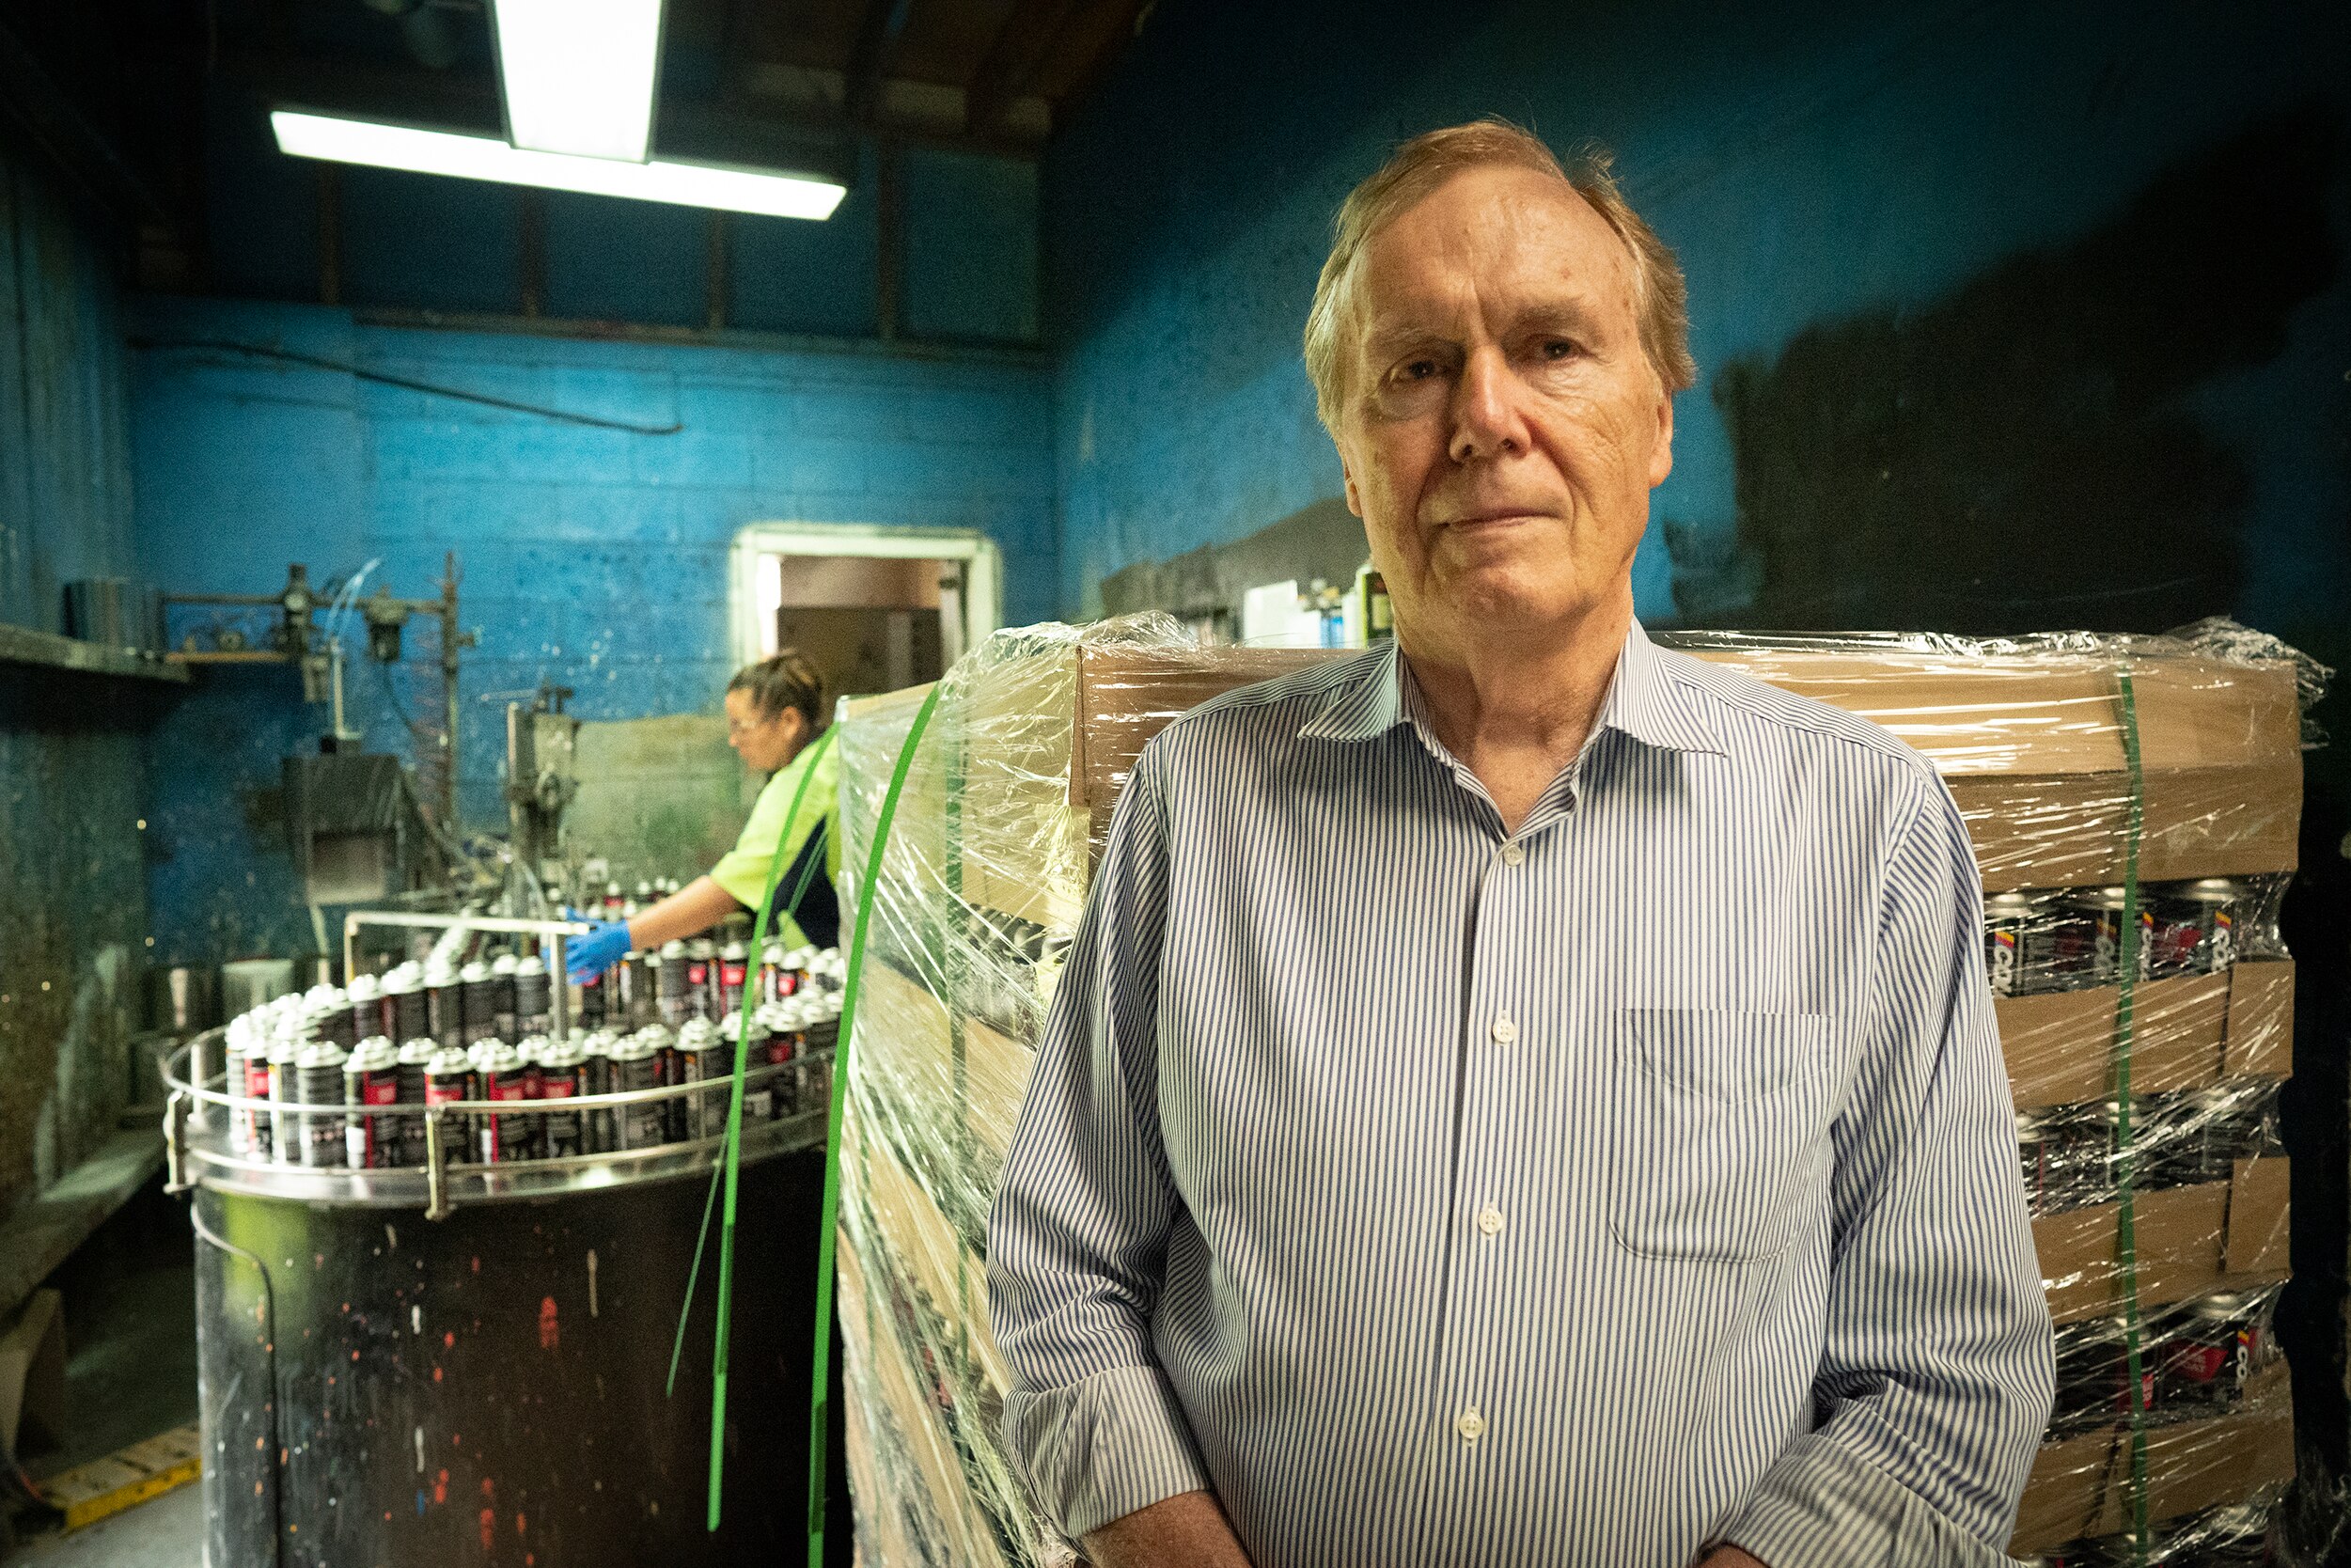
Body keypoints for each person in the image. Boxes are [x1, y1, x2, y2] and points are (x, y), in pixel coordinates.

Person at [985, 120, 2054, 1568]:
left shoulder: (1863, 830)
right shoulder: (1201, 804)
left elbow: (1946, 1382)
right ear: (1351, 459)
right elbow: (1060, 1280)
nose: (1484, 418)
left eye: (1552, 347)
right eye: (1416, 369)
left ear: (1658, 419)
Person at [565, 651, 839, 982]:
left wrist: (624, 937)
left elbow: (726, 890)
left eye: (741, 726)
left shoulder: (806, 782)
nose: (733, 741)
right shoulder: (832, 754)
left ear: (789, 722)